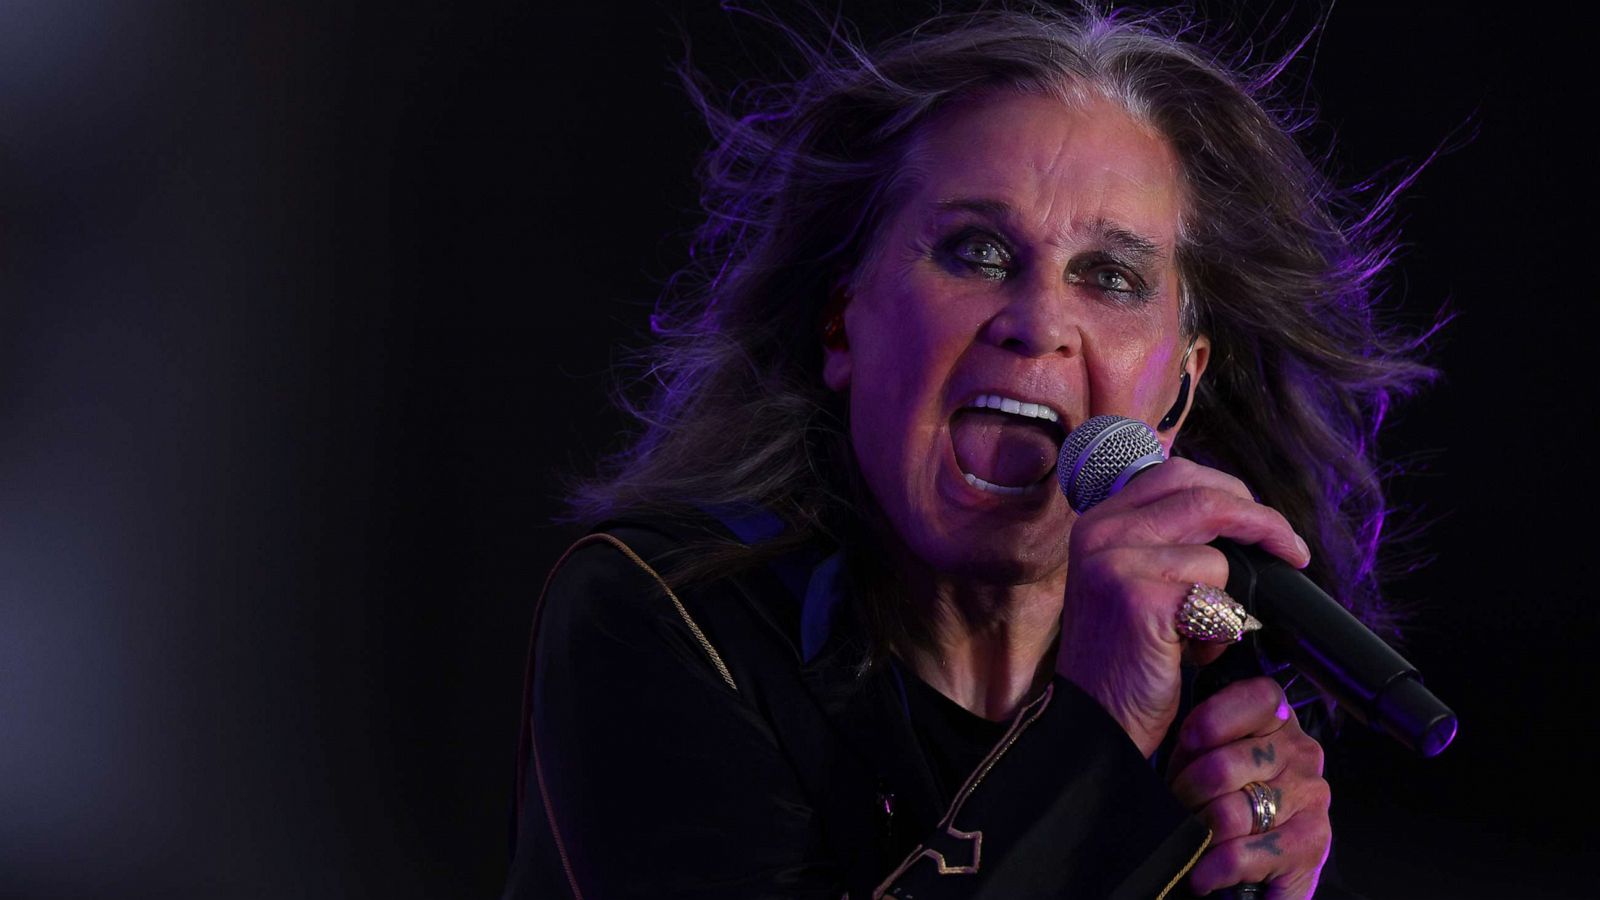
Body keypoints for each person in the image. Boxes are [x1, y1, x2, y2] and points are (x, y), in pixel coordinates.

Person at [503, 6, 1436, 898]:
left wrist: (1272, 882)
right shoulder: (665, 616)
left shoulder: (1207, 681)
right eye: (977, 254)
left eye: (1110, 277)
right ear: (841, 325)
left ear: (1179, 392)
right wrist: (1097, 734)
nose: (1038, 324)